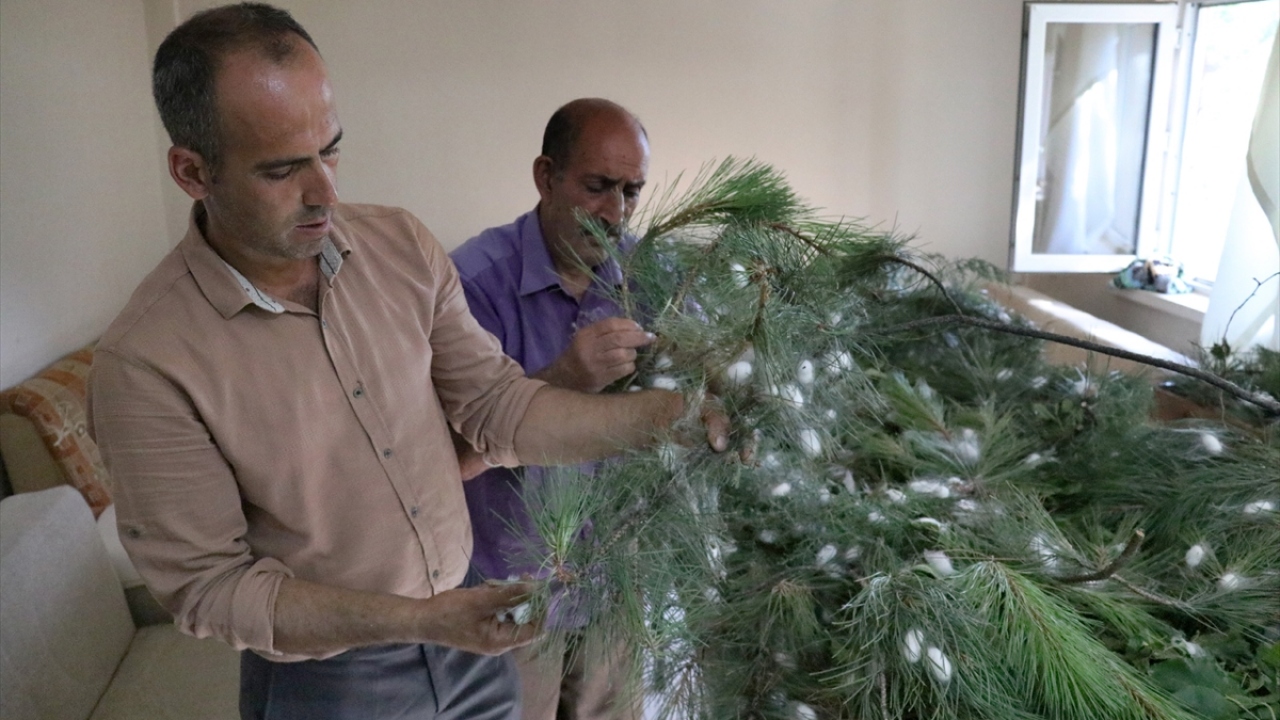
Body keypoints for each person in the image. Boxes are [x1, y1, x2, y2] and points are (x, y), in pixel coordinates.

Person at [87, 5, 725, 719]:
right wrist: (418, 620)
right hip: (334, 680)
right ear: (193, 172)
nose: (326, 191)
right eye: (281, 169)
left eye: (331, 150)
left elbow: (497, 407)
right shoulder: (145, 363)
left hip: (469, 636)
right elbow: (213, 590)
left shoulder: (399, 247)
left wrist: (670, 419)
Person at [449, 99, 650, 720]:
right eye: (596, 187)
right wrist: (561, 379)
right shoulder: (470, 285)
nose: (615, 213)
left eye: (632, 191)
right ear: (545, 176)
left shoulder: (649, 274)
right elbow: (446, 455)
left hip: (617, 572)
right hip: (512, 585)